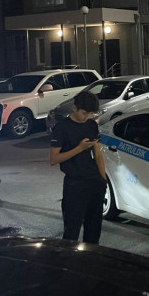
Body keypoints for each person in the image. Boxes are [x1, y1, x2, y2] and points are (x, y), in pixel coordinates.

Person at [49, 91, 106, 245]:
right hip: (74, 184)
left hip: (95, 182)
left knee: (93, 230)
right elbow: (54, 159)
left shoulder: (91, 125)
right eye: (84, 113)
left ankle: (91, 257)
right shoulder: (61, 128)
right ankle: (69, 259)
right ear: (74, 108)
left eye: (91, 114)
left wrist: (103, 179)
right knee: (71, 231)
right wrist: (80, 148)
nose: (87, 117)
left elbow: (98, 154)